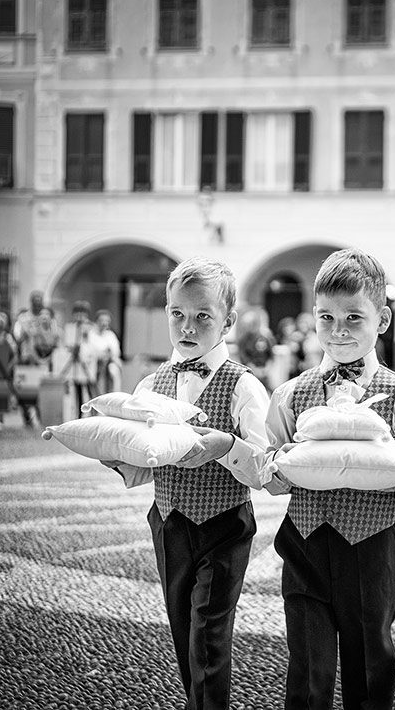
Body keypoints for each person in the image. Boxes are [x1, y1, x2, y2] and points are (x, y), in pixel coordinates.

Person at [258, 248, 395, 709]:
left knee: (369, 660)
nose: (338, 332)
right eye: (325, 317)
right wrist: (274, 471)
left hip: (371, 546)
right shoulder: (290, 394)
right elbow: (272, 470)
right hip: (304, 543)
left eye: (353, 318)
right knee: (308, 666)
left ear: (382, 320)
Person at [102, 256, 270, 710]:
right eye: (178, 314)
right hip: (169, 522)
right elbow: (143, 463)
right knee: (183, 631)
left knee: (209, 634)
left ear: (228, 321)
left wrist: (226, 447)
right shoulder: (150, 385)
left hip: (225, 524)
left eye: (202, 317)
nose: (187, 327)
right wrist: (117, 457)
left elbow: (265, 469)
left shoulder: (244, 388)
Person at [62, 300, 99, 413]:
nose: (80, 316)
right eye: (77, 313)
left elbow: (93, 345)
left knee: (89, 388)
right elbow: (67, 344)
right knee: (77, 390)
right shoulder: (70, 327)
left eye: (83, 313)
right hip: (74, 364)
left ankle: (94, 411)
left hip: (87, 362)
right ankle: (79, 413)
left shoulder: (91, 328)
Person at [92, 308, 123, 394]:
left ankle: (115, 395)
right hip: (94, 363)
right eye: (102, 320)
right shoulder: (91, 335)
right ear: (97, 321)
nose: (104, 323)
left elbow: (116, 352)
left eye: (106, 321)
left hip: (109, 363)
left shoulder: (111, 335)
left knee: (113, 370)